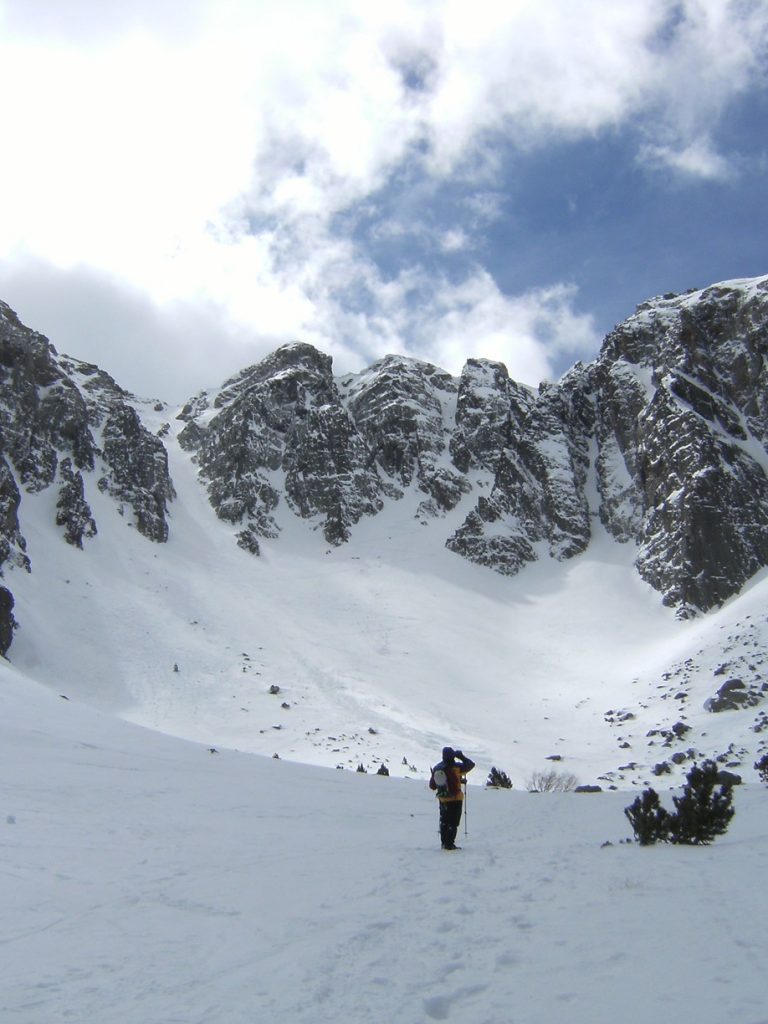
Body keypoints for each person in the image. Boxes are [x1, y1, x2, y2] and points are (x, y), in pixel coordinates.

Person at [429, 746, 475, 850]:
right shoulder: (456, 767)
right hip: (455, 798)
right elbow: (471, 764)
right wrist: (461, 756)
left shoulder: (437, 767)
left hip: (443, 798)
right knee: (453, 822)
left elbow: (432, 785)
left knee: (444, 821)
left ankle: (444, 843)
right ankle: (450, 844)